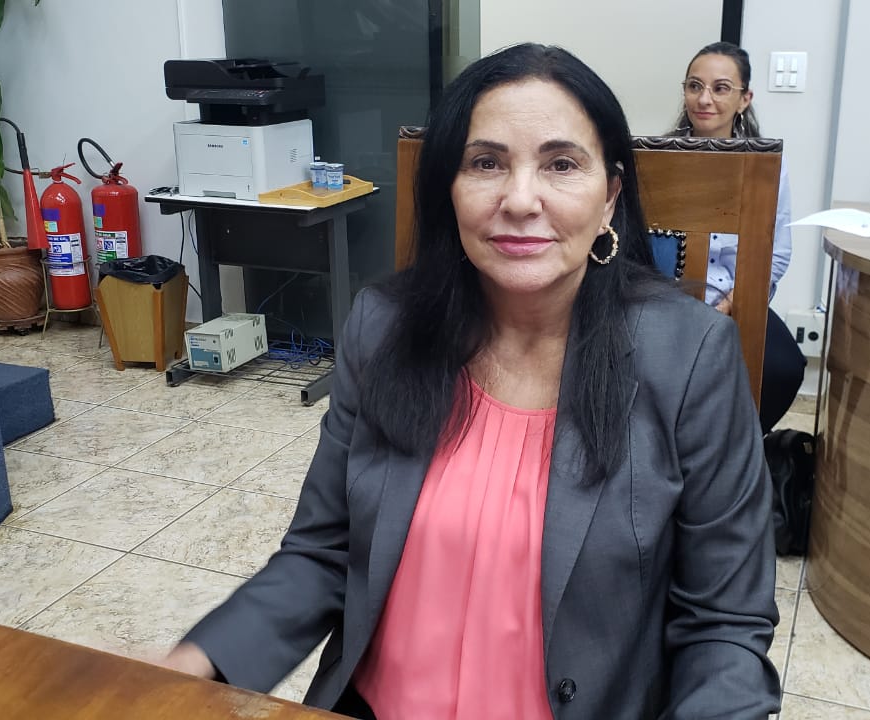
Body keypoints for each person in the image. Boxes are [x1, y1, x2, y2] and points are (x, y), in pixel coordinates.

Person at [158, 43, 780, 720]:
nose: (520, 200)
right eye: (486, 163)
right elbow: (324, 553)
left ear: (610, 197)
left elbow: (723, 626)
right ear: (447, 190)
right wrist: (197, 663)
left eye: (561, 164)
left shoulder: (691, 358)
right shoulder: (384, 327)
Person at [668, 42, 806, 434]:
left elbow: (777, 254)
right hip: (669, 297)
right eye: (695, 86)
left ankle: (737, 447)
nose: (704, 99)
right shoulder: (660, 158)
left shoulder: (767, 168)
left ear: (745, 99)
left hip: (737, 299)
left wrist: (731, 305)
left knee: (783, 368)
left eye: (721, 88)